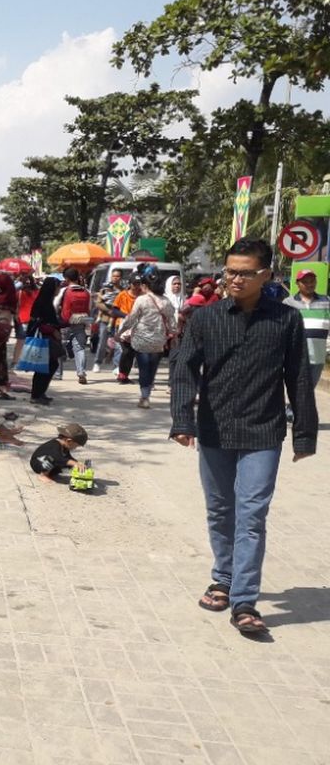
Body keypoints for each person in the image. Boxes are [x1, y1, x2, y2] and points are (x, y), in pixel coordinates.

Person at [170, 238, 316, 635]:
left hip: (263, 432)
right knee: (221, 511)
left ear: (266, 275)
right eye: (230, 271)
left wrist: (304, 435)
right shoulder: (206, 318)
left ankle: (244, 600)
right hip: (214, 429)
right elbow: (184, 368)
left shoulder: (286, 320)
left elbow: (299, 377)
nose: (234, 279)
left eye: (244, 273)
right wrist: (182, 420)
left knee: (252, 515)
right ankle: (223, 576)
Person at [117, 273, 176, 409]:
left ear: (145, 286)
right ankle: (147, 393)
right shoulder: (166, 301)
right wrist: (173, 335)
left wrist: (120, 332)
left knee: (144, 368)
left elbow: (131, 319)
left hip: (142, 340)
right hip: (159, 341)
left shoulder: (141, 300)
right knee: (152, 369)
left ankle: (145, 397)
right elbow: (172, 323)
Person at [283, 269, 330, 388]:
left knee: (309, 389)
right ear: (297, 283)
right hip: (295, 357)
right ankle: (292, 407)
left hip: (318, 356)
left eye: (312, 281)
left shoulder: (327, 301)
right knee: (296, 389)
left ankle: (294, 407)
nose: (310, 284)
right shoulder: (288, 303)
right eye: (305, 282)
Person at [26, 278, 61, 405]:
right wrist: (53, 331)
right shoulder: (42, 303)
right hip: (43, 339)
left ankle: (40, 393)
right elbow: (38, 322)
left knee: (49, 365)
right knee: (44, 367)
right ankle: (36, 395)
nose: (59, 290)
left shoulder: (47, 301)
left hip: (47, 338)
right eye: (57, 287)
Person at [56, 268, 93, 384]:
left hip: (65, 323)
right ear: (78, 277)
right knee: (80, 348)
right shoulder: (87, 291)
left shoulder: (64, 291)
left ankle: (58, 374)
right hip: (81, 321)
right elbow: (90, 308)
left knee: (60, 347)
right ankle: (81, 372)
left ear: (66, 278)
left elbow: (55, 305)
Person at [114, 277, 144, 384]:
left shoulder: (143, 295)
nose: (137, 286)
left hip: (137, 326)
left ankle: (125, 376)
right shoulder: (122, 295)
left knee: (131, 352)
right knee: (126, 351)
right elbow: (114, 310)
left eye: (138, 284)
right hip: (122, 325)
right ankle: (121, 374)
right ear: (130, 284)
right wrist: (126, 315)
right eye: (134, 284)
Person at [11, 276, 38, 368]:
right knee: (31, 342)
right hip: (33, 320)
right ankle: (28, 362)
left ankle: (16, 362)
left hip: (21, 319)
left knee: (20, 342)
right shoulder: (36, 292)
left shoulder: (18, 293)